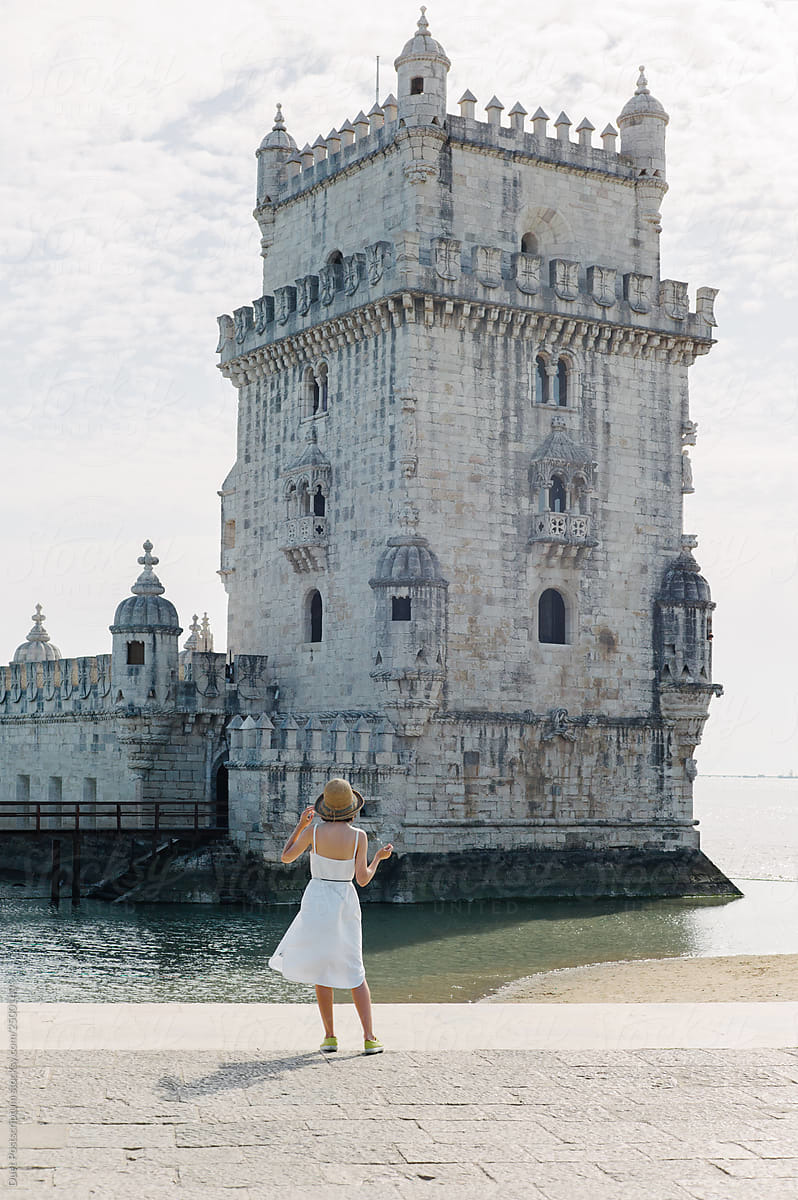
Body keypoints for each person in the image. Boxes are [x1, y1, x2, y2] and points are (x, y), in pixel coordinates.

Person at [268, 777, 393, 1054]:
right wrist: (378, 860)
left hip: (316, 899)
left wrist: (300, 825)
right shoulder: (359, 836)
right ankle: (370, 1037)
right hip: (344, 900)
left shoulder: (312, 833)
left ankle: (330, 1037)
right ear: (351, 808)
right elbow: (362, 879)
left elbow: (286, 857)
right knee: (354, 967)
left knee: (322, 968)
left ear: (325, 807)